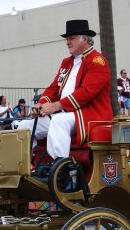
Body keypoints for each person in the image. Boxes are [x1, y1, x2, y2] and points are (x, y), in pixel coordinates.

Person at [18, 19, 112, 160]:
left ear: (85, 39)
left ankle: (62, 168)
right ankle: (25, 166)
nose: (67, 42)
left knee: (59, 121)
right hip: (66, 113)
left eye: (71, 38)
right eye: (67, 39)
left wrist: (55, 106)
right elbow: (54, 88)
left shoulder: (97, 61)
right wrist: (41, 105)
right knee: (25, 126)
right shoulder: (67, 62)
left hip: (88, 114)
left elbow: (87, 92)